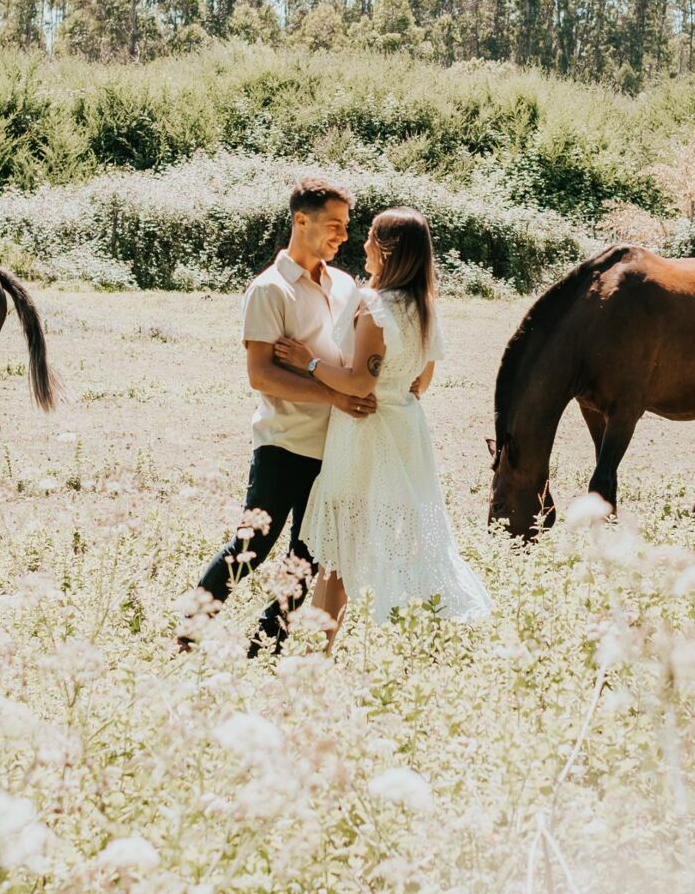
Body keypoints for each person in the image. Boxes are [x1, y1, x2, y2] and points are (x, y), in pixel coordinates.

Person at [273, 207, 492, 649]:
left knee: (337, 550)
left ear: (387, 249)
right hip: (407, 431)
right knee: (405, 536)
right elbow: (421, 381)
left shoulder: (373, 305)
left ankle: (318, 654)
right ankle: (419, 641)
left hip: (363, 433)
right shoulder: (423, 307)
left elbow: (359, 382)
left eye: (371, 236)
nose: (364, 245)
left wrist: (308, 362)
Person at [177, 179, 375, 654]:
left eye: (347, 227)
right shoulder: (269, 290)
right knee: (250, 548)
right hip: (284, 441)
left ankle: (263, 647)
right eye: (334, 225)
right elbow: (261, 375)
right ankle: (187, 636)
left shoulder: (347, 286)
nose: (343, 235)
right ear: (300, 221)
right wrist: (335, 396)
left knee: (307, 557)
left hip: (338, 447)